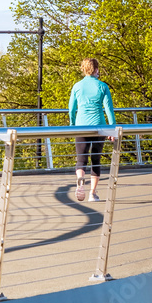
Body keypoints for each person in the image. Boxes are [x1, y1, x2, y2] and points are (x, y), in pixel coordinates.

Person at [68, 58, 115, 202]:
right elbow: (108, 109)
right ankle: (92, 193)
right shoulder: (102, 86)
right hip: (99, 126)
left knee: (81, 159)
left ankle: (80, 182)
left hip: (81, 126)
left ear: (83, 69)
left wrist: (72, 124)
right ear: (96, 69)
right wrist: (112, 129)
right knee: (96, 159)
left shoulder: (77, 86)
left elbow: (71, 109)